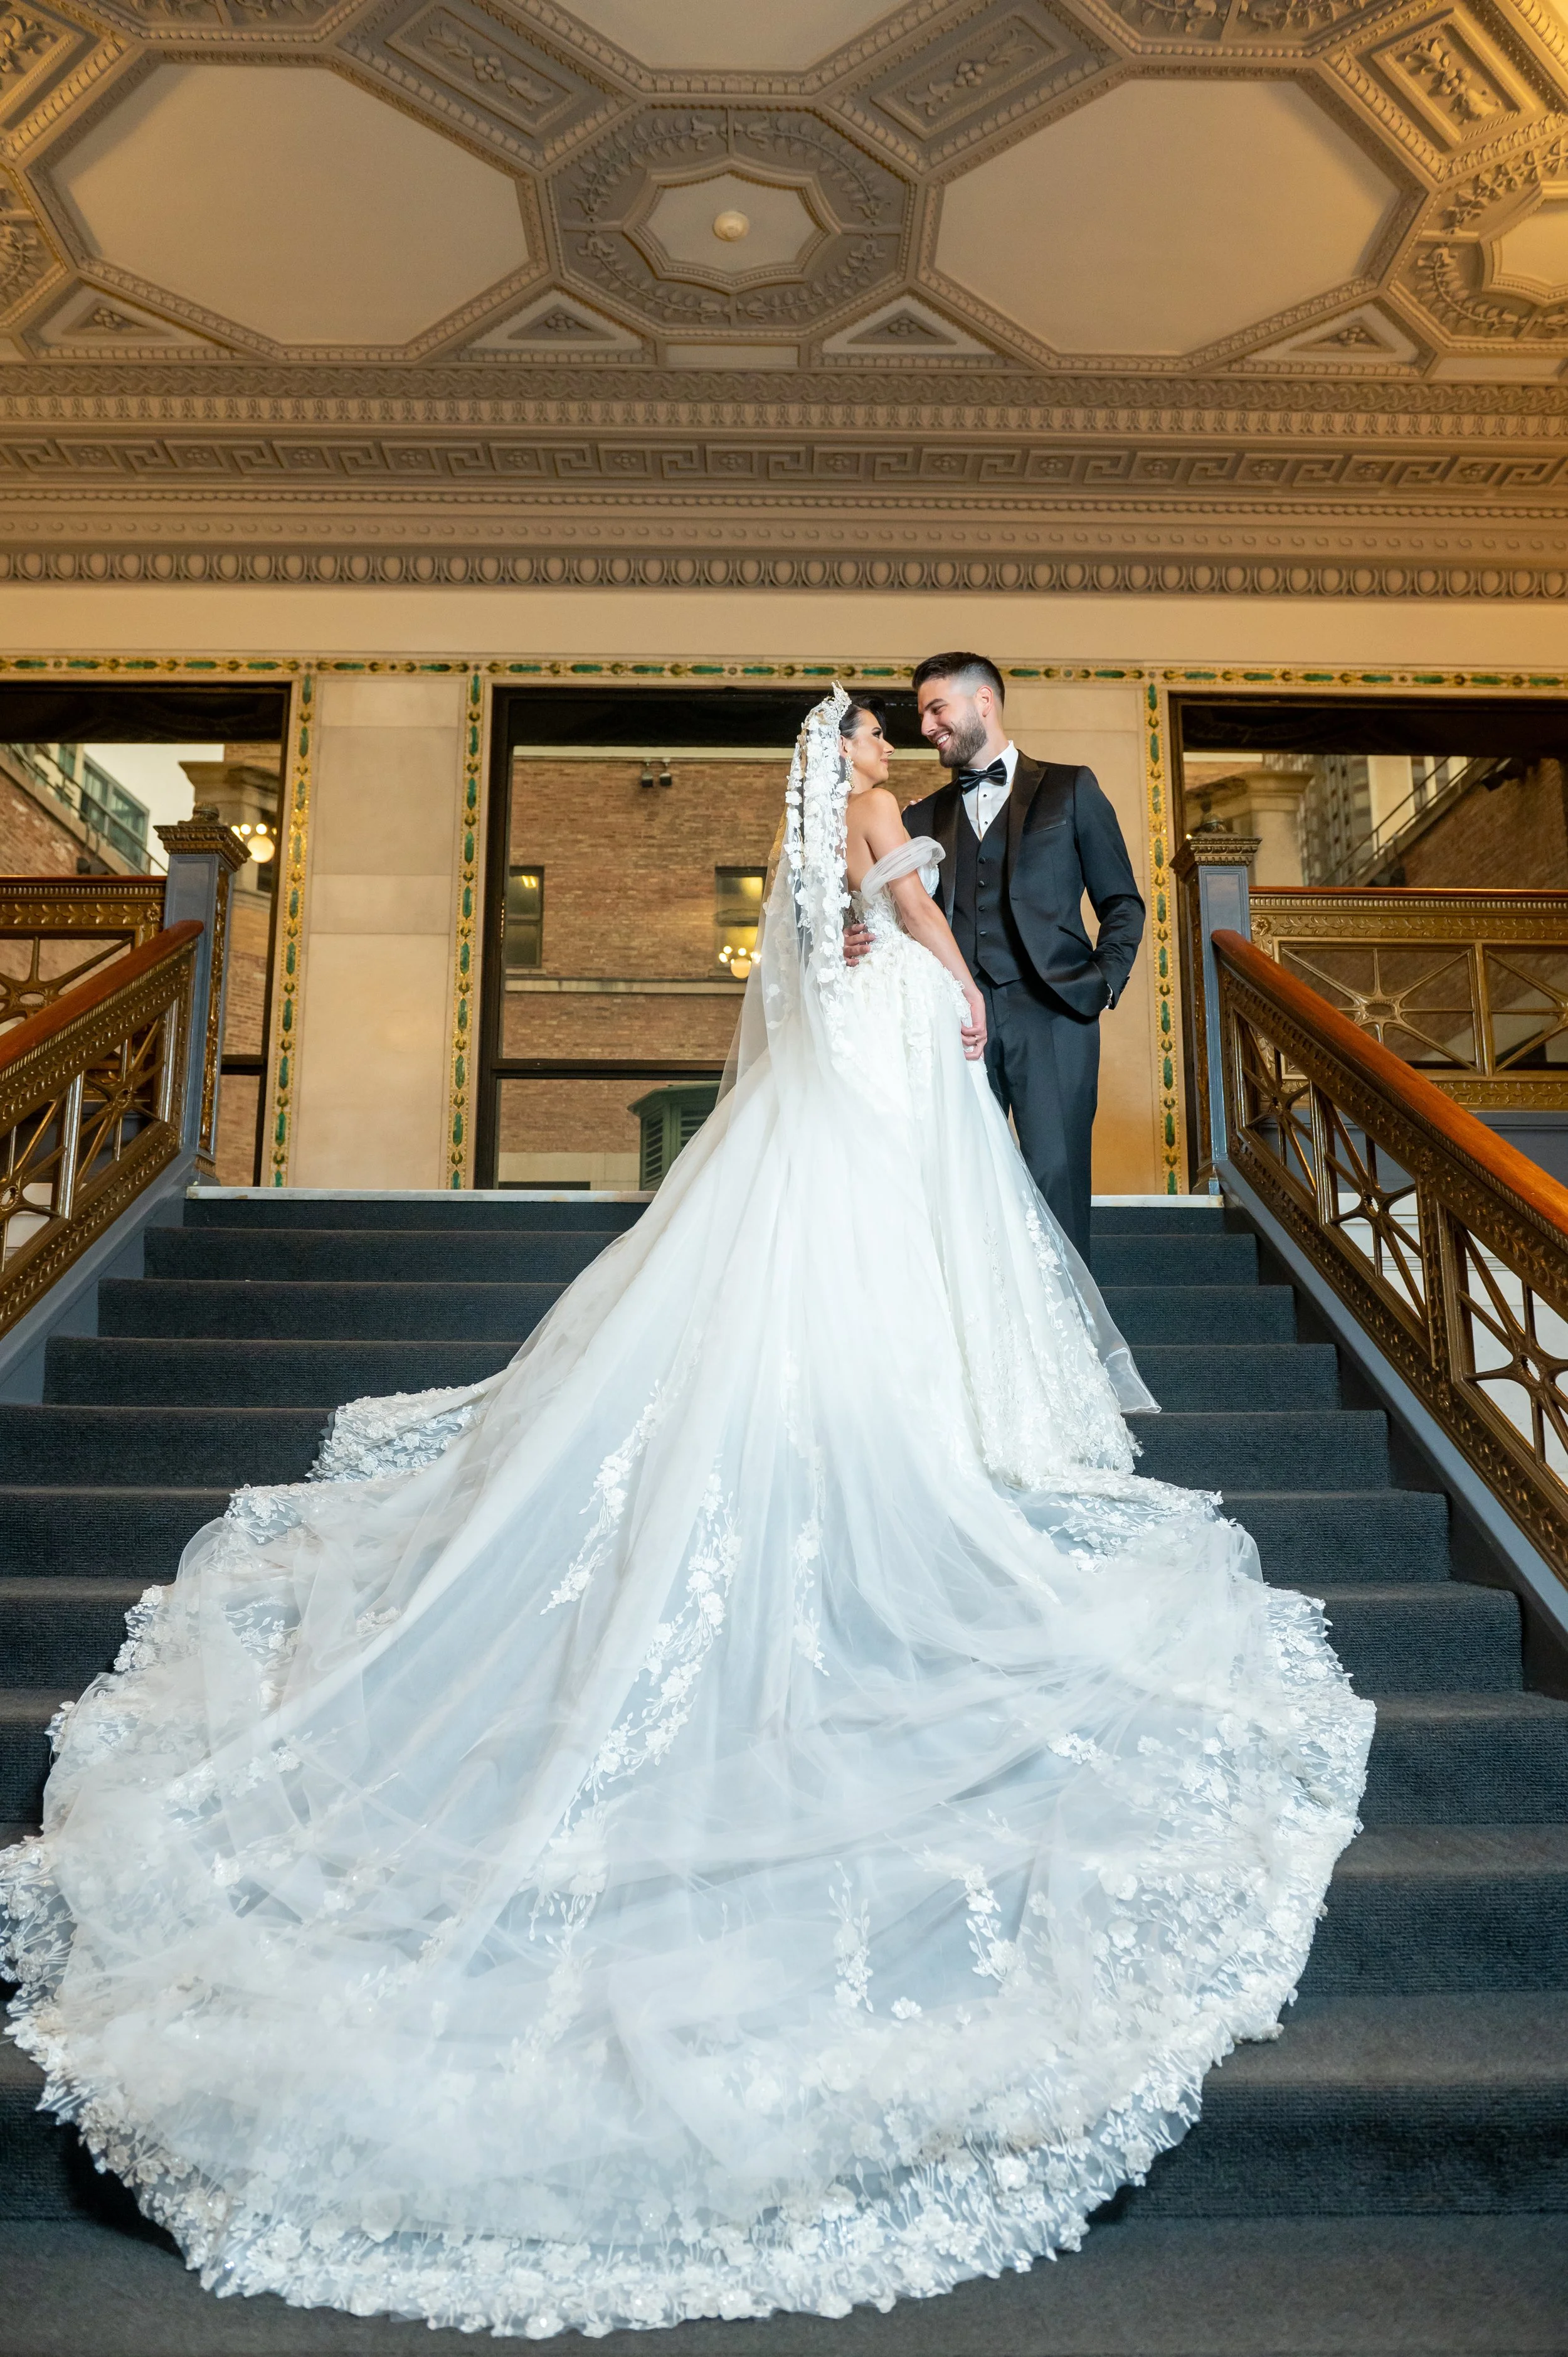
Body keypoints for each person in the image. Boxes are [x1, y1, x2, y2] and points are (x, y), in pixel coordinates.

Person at [0, 688, 1372, 2341]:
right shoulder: (875, 824)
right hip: (887, 1055)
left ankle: (893, 1417)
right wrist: (953, 998)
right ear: (847, 758)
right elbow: (917, 909)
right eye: (871, 735)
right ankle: (912, 1437)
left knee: (837, 1264)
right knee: (887, 1263)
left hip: (840, 1064)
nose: (882, 750)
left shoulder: (816, 839)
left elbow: (828, 932)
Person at [857, 653, 1144, 1262]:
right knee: (958, 1182)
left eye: (937, 709)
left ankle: (1068, 1345)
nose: (928, 726)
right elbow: (895, 911)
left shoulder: (1071, 788)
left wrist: (1099, 983)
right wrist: (855, 937)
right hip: (954, 1023)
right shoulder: (917, 816)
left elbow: (1122, 902)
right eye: (921, 715)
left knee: (1055, 1176)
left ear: (982, 701)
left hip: (1054, 1015)